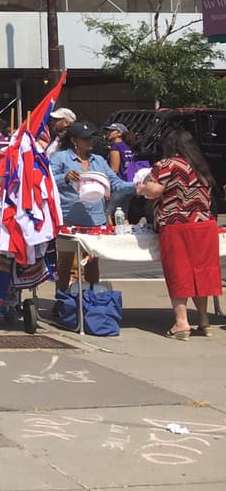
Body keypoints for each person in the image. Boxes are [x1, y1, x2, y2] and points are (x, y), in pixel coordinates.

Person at [137, 128, 221, 339]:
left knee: (179, 271)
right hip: (204, 224)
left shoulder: (166, 165)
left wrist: (142, 189)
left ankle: (181, 323)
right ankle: (203, 320)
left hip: (177, 224)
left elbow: (155, 191)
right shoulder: (200, 166)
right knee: (201, 271)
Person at [50, 120, 135, 293]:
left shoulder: (99, 161)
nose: (90, 141)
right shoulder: (61, 158)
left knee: (91, 262)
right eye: (85, 138)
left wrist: (137, 187)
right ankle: (63, 300)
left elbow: (115, 182)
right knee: (66, 263)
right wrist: (65, 178)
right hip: (69, 220)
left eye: (91, 137)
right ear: (74, 140)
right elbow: (47, 181)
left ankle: (91, 299)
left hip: (95, 220)